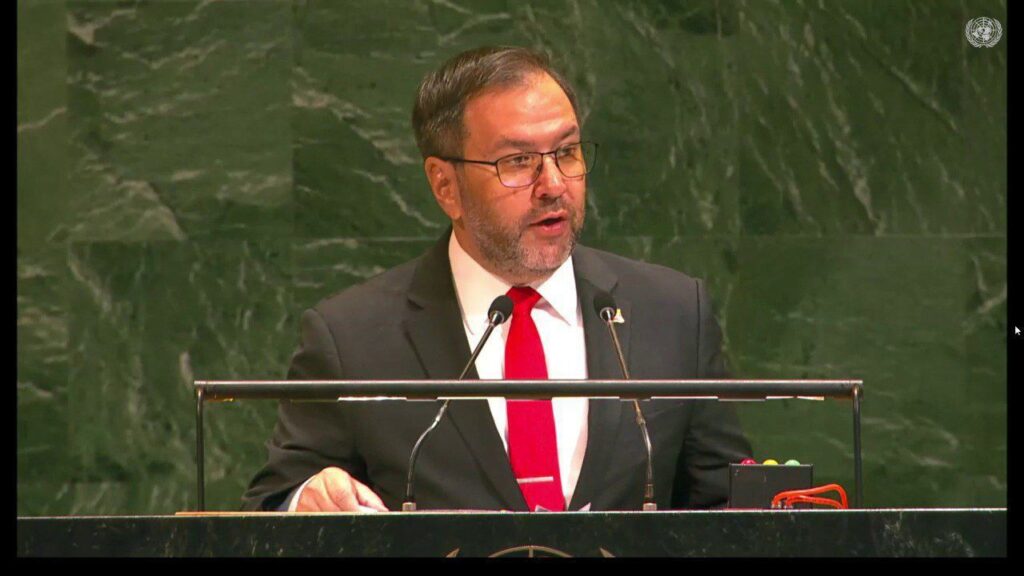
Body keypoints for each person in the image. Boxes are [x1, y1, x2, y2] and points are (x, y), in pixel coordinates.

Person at [242, 46, 752, 513]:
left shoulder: (674, 312)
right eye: (519, 162)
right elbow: (272, 505)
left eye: (567, 152)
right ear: (445, 185)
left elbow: (728, 506)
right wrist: (306, 499)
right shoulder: (351, 339)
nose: (553, 185)